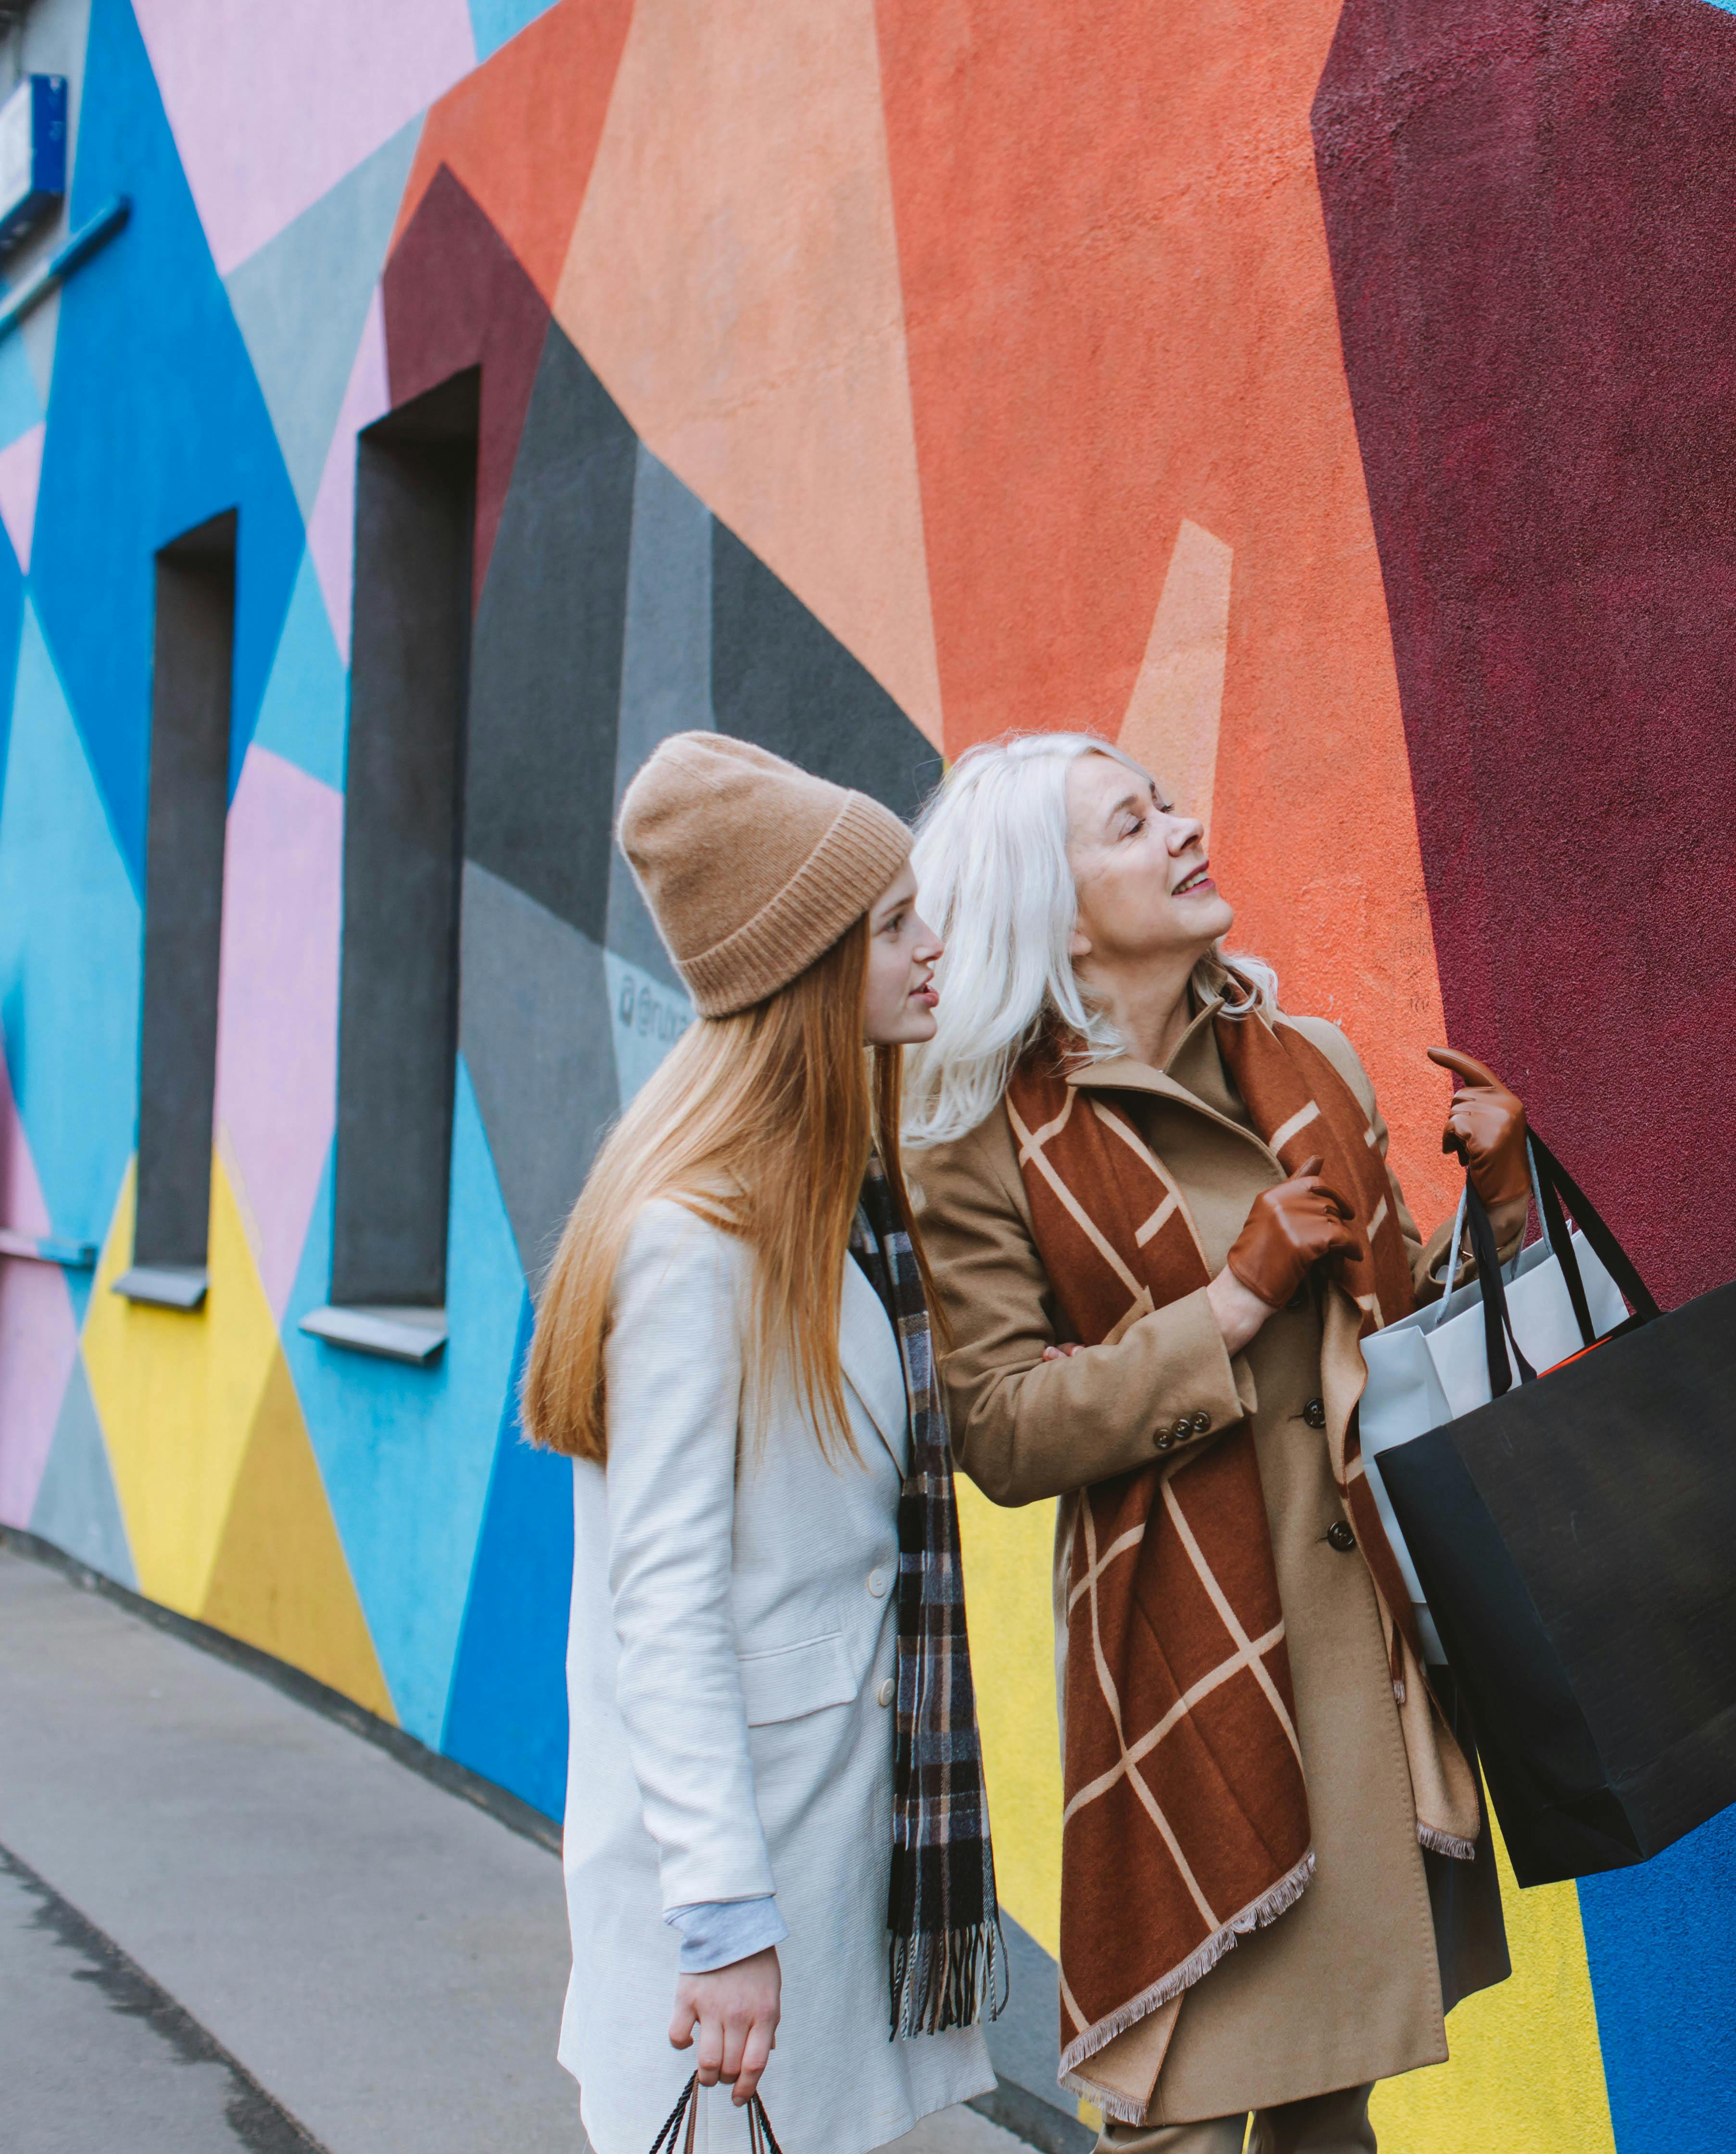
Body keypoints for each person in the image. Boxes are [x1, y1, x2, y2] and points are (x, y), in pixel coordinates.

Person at [901, 730, 1532, 2152]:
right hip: (1186, 1664)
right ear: (1048, 908)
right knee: (1177, 2117)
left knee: (1325, 2111)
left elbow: (1397, 1344)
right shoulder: (983, 1138)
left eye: (1168, 806)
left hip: (1364, 1644)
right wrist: (1230, 1300)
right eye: (1132, 826)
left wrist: (1500, 1212)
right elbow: (997, 1430)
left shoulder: (1307, 1063)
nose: (1184, 832)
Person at [530, 733, 1001, 2154]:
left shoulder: (832, 1202)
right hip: (739, 1870)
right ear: (805, 970)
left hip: (828, 1829)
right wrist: (723, 1920)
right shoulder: (694, 1238)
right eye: (893, 925)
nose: (932, 947)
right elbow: (656, 1607)